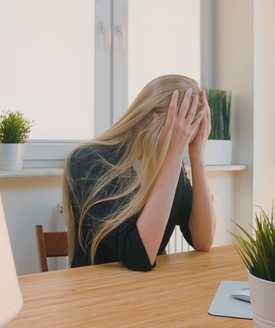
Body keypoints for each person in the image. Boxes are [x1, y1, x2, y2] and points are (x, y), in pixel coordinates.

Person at [61, 74, 217, 271]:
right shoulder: (87, 161)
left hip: (146, 291)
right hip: (96, 291)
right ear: (145, 120)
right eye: (178, 131)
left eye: (189, 133)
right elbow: (139, 257)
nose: (182, 142)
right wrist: (174, 158)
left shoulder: (171, 166)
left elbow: (203, 241)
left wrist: (198, 158)